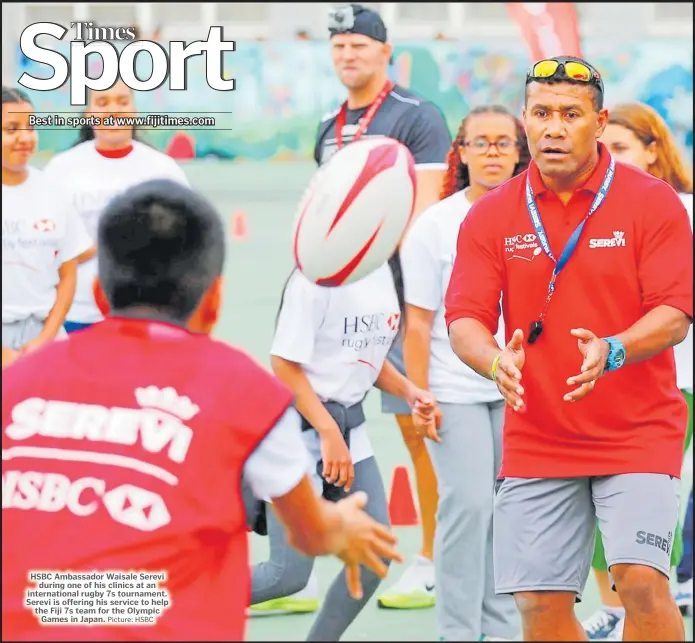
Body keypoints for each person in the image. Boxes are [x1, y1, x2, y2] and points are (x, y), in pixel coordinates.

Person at [1, 179, 404, 641]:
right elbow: (312, 534)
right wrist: (343, 528)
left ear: (97, 294)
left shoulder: (18, 384)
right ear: (213, 301)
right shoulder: (247, 394)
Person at [444, 55, 693, 642]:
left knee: (639, 582)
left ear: (599, 121)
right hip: (538, 434)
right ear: (526, 120)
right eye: (542, 113)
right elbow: (465, 321)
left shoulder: (652, 202)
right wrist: (493, 360)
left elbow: (675, 314)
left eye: (571, 114)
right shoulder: (490, 215)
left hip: (638, 429)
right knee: (536, 600)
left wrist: (612, 349)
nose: (554, 127)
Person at [253, 4, 453, 614]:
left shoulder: (417, 118)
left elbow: (421, 213)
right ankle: (302, 568)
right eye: (338, 45)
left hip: (398, 300)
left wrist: (363, 264)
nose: (348, 54)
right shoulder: (328, 122)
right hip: (335, 301)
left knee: (417, 435)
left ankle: (430, 563)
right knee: (321, 414)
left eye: (360, 45)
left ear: (385, 53)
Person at [249, 250, 438, 640]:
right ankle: (146, 601)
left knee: (377, 554)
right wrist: (327, 432)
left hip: (348, 430)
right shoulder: (313, 279)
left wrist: (409, 390)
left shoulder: (384, 272)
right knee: (288, 576)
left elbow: (364, 355)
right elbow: (284, 364)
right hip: (296, 431)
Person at [399, 105, 530, 639]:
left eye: (503, 142)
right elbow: (416, 324)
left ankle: (498, 628)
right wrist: (418, 396)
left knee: (509, 510)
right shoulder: (435, 225)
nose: (493, 152)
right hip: (453, 390)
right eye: (482, 142)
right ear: (463, 152)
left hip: (517, 388)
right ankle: (457, 629)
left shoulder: (535, 216)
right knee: (468, 505)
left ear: (520, 152)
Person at [577, 101, 694, 640]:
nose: (612, 161)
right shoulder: (593, 215)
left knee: (646, 506)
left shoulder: (682, 211)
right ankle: (619, 611)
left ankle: (652, 603)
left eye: (622, 149)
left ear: (653, 151)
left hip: (675, 382)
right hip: (606, 377)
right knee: (605, 502)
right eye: (607, 152)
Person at [42, 79, 189, 335]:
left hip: (145, 314)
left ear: (134, 109)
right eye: (102, 102)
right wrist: (98, 247)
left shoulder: (162, 169)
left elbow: (187, 239)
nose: (113, 110)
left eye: (122, 101)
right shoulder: (61, 169)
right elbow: (42, 245)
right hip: (75, 313)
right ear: (88, 113)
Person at [2, 86, 92, 368]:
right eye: (11, 129)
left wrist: (47, 337)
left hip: (46, 336)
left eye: (31, 127)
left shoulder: (52, 191)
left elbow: (68, 271)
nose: (24, 137)